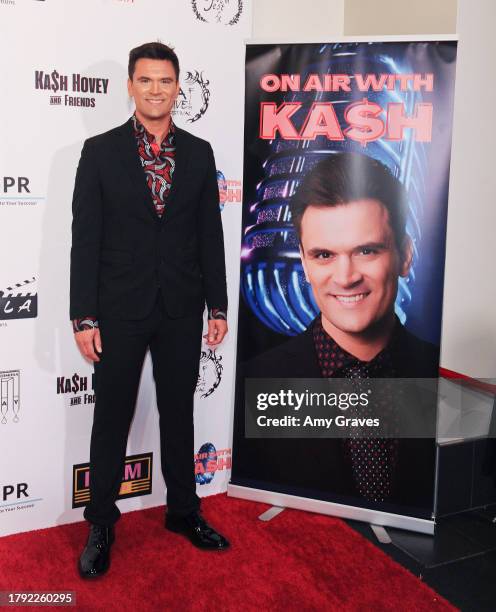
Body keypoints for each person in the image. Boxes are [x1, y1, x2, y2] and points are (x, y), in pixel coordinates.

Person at [70, 42, 229, 579]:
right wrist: (83, 316)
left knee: (179, 414)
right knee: (110, 417)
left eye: (165, 81)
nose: (156, 89)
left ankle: (184, 511)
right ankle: (101, 522)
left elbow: (211, 233)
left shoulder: (201, 153)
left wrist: (219, 304)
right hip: (118, 309)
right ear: (130, 86)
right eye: (146, 80)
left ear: (179, 87)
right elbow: (85, 240)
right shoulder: (99, 150)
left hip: (183, 306)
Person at [233, 152, 439, 516]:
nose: (345, 277)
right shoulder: (252, 384)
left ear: (405, 255)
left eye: (366, 250)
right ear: (304, 262)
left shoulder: (439, 377)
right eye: (324, 255)